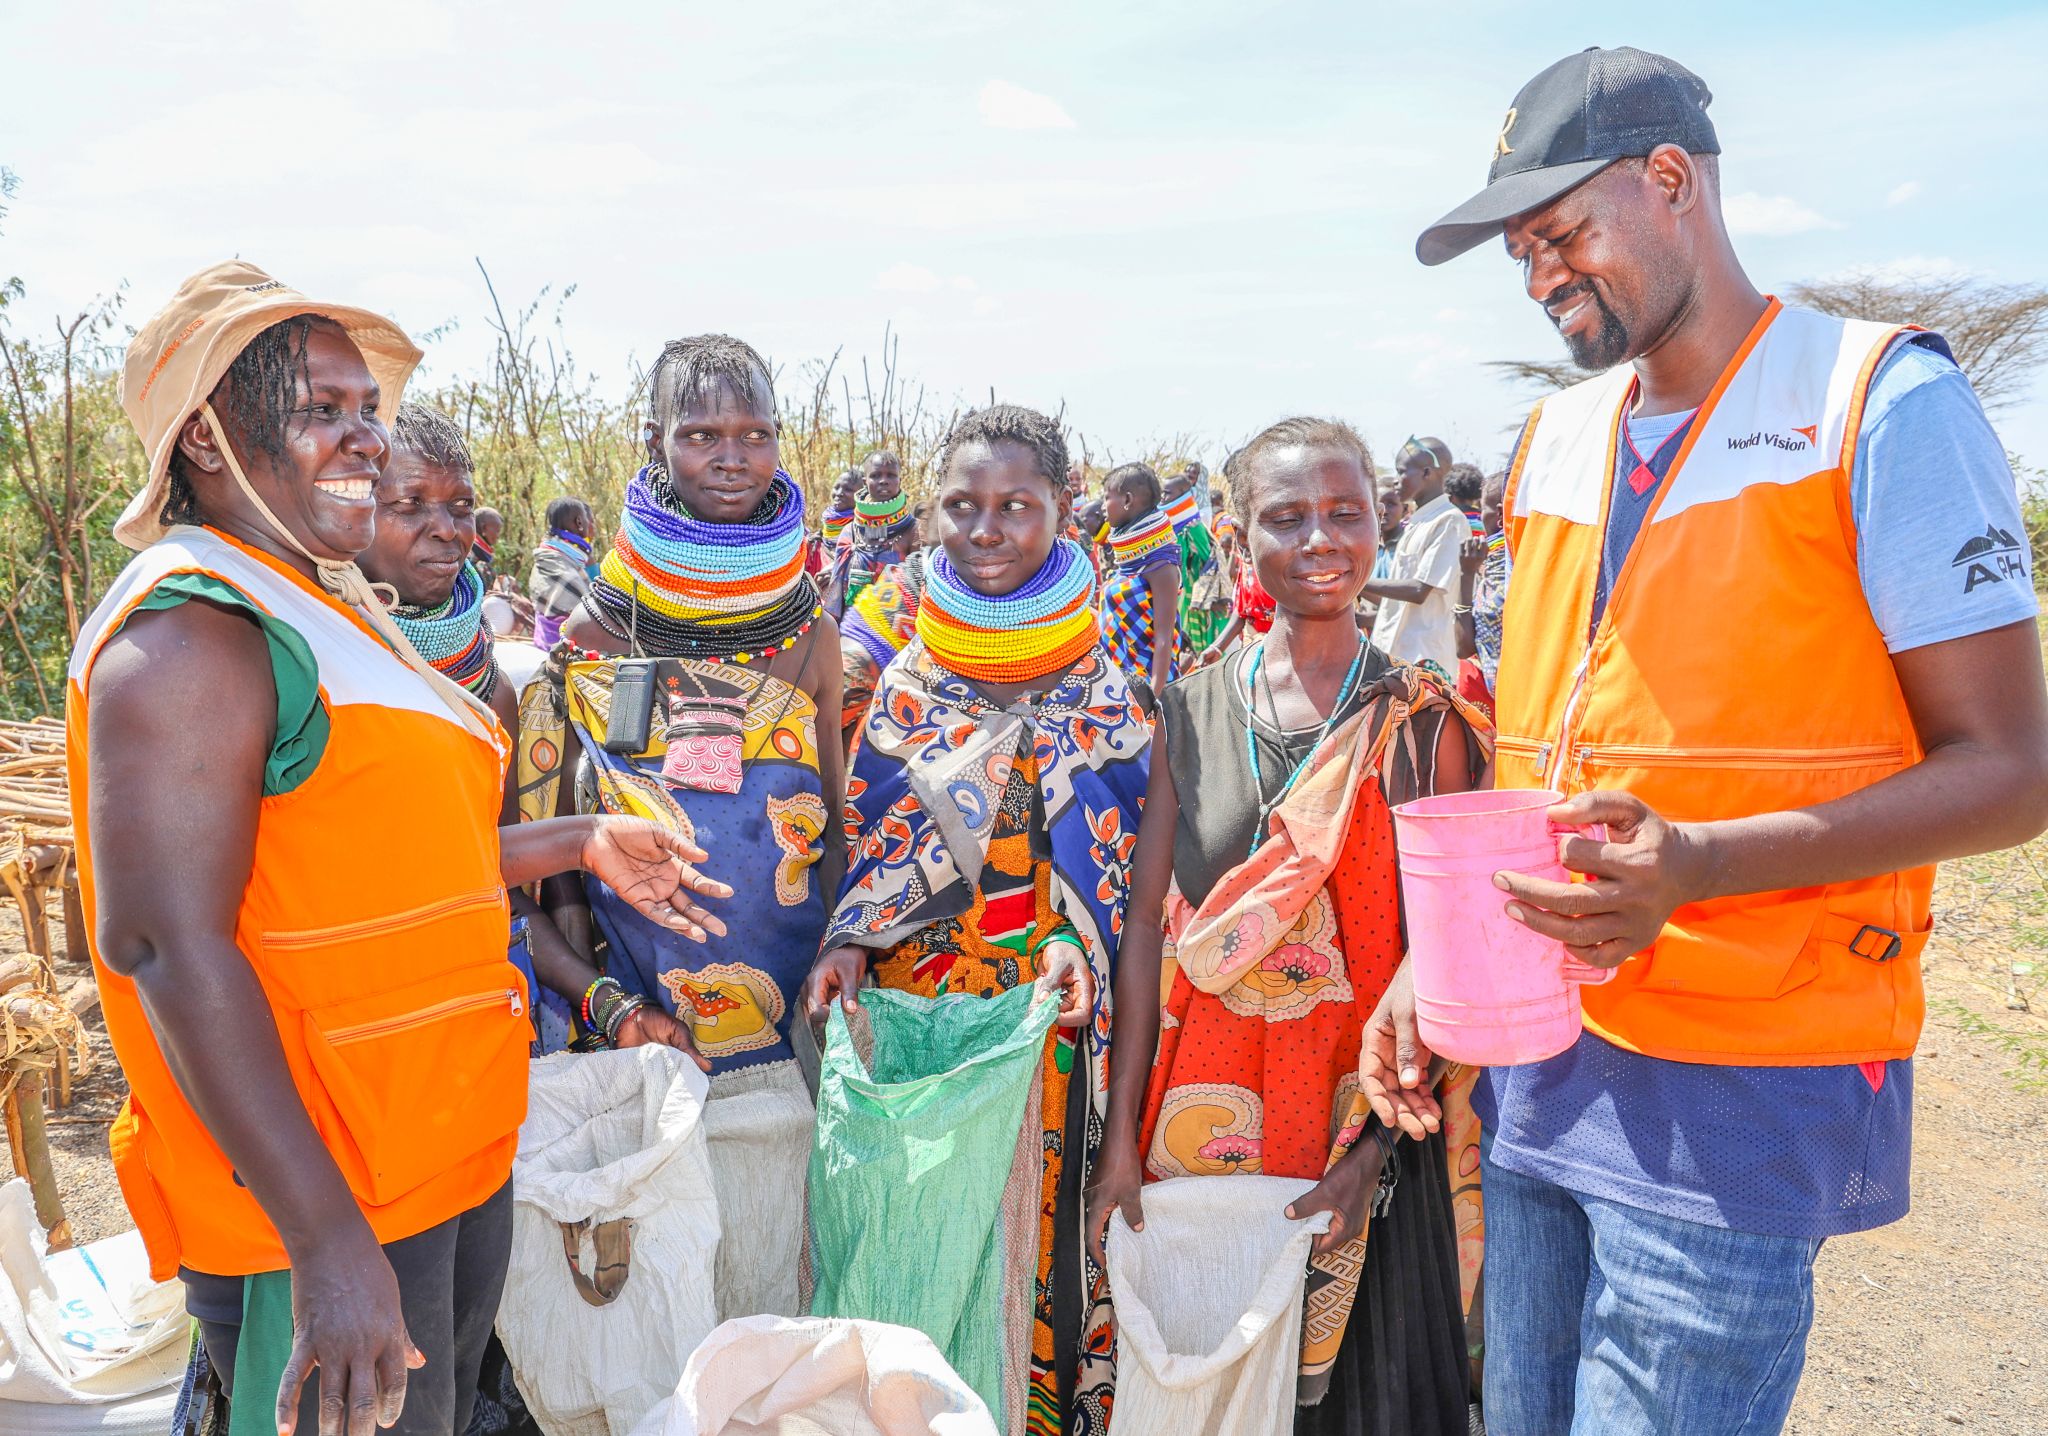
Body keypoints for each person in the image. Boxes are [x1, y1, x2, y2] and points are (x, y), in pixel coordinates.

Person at [1398, 46, 2048, 1435]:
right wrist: (1435, 964)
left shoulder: (1879, 404)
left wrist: (1698, 864)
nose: (1541, 279)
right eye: (1522, 253)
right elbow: (1541, 752)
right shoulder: (1557, 440)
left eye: (1563, 235)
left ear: (1674, 181)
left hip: (1743, 1076)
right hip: (1543, 1057)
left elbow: (2010, 772)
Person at [70, 262, 730, 1436]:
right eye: (322, 408)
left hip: (438, 1153)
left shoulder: (322, 610)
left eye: (365, 409)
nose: (364, 437)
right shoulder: (193, 633)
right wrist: (322, 1242)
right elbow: (163, 943)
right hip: (323, 1194)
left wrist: (576, 836)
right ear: (210, 440)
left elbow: (393, 871)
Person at [1088, 417, 1487, 1435]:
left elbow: (1453, 951)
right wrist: (1121, 1144)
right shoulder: (1187, 707)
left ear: (1379, 527)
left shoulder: (1422, 721)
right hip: (1202, 1130)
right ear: (1235, 539)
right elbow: (1146, 932)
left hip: (1368, 1135)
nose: (1319, 539)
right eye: (1285, 517)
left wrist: (1371, 1162)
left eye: (1344, 514)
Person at [808, 403, 1148, 1435]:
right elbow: (865, 840)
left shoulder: (1106, 678)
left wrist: (1062, 939)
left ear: (1064, 509)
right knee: (915, 1242)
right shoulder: (905, 671)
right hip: (919, 1027)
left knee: (1027, 1249)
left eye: (1015, 505)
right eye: (961, 505)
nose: (985, 527)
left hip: (1042, 1029)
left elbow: (1121, 874)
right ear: (928, 513)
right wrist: (849, 935)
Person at [528, 332, 844, 1089]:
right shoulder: (596, 633)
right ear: (654, 443)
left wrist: (839, 957)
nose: (731, 457)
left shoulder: (811, 635)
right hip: (640, 1005)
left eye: (755, 435)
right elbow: (563, 848)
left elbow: (832, 819)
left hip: (793, 991)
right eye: (700, 435)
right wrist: (603, 1001)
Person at [1359, 437, 1463, 678]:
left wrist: (1357, 581)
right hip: (1396, 655)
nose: (1396, 480)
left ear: (1427, 472)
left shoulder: (1448, 521)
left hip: (1424, 660)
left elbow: (1419, 590)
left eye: (1402, 471)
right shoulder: (1418, 523)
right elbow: (1392, 596)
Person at [1097, 463, 1181, 712]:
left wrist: (1152, 698)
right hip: (1116, 683)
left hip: (1145, 687)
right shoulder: (1129, 565)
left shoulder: (1161, 567)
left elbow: (1164, 638)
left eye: (1106, 497)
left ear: (1127, 500)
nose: (1102, 506)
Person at [829, 449, 917, 616]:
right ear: (865, 482)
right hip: (849, 629)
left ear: (900, 479)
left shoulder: (913, 531)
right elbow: (836, 590)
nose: (883, 481)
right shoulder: (851, 531)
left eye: (891, 475)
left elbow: (920, 590)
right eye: (876, 475)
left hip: (897, 632)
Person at [1451, 469, 1510, 714]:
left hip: (1499, 701)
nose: (1477, 515)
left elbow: (1464, 647)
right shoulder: (1537, 560)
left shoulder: (1501, 570)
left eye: (1482, 507)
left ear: (1498, 515)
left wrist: (1467, 574)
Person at [1165, 465, 1227, 657]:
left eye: (1167, 494)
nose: (1162, 498)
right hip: (1183, 594)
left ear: (1183, 494)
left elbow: (1208, 557)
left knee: (1198, 647)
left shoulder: (1193, 526)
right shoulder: (1176, 525)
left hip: (1196, 596)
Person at [527, 494, 594, 650]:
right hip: (562, 644)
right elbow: (586, 606)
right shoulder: (560, 564)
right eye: (586, 519)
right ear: (579, 522)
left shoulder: (552, 557)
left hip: (543, 638)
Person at [470, 505, 504, 584]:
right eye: (497, 531)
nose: (498, 536)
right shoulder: (469, 554)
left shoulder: (479, 553)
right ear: (484, 528)